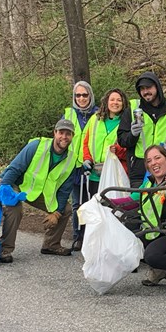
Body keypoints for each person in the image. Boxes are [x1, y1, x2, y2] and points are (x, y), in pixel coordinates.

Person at [116, 145, 166, 296]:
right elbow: (131, 201)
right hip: (160, 231)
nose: (153, 163)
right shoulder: (149, 184)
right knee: (130, 241)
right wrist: (103, 201)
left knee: (152, 254)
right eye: (149, 160)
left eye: (157, 158)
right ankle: (162, 268)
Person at [0, 119, 78, 263]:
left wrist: (56, 213)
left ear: (72, 136)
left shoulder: (71, 159)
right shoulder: (37, 146)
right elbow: (15, 168)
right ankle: (5, 250)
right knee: (15, 209)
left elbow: (65, 190)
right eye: (61, 133)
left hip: (38, 192)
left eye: (68, 134)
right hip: (17, 185)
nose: (64, 137)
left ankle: (51, 245)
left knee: (66, 209)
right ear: (55, 133)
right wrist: (2, 190)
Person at [117, 71, 166, 187]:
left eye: (148, 87)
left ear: (157, 86)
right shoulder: (132, 109)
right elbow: (122, 140)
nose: (145, 92)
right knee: (140, 203)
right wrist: (132, 134)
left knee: (164, 203)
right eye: (142, 89)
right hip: (139, 169)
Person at [80, 88, 130, 248]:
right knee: (97, 209)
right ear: (106, 102)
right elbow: (86, 141)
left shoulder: (126, 121)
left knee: (115, 210)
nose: (115, 103)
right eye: (112, 100)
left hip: (116, 173)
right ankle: (97, 245)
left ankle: (115, 245)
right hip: (95, 173)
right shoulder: (95, 120)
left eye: (119, 100)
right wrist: (86, 159)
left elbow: (129, 145)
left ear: (123, 103)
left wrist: (119, 151)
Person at [64, 81, 98, 248]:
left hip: (93, 165)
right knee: (77, 203)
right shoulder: (69, 114)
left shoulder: (99, 114)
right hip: (74, 166)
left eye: (85, 95)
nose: (81, 98)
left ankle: (93, 238)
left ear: (90, 95)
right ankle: (78, 236)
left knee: (94, 202)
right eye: (78, 95)